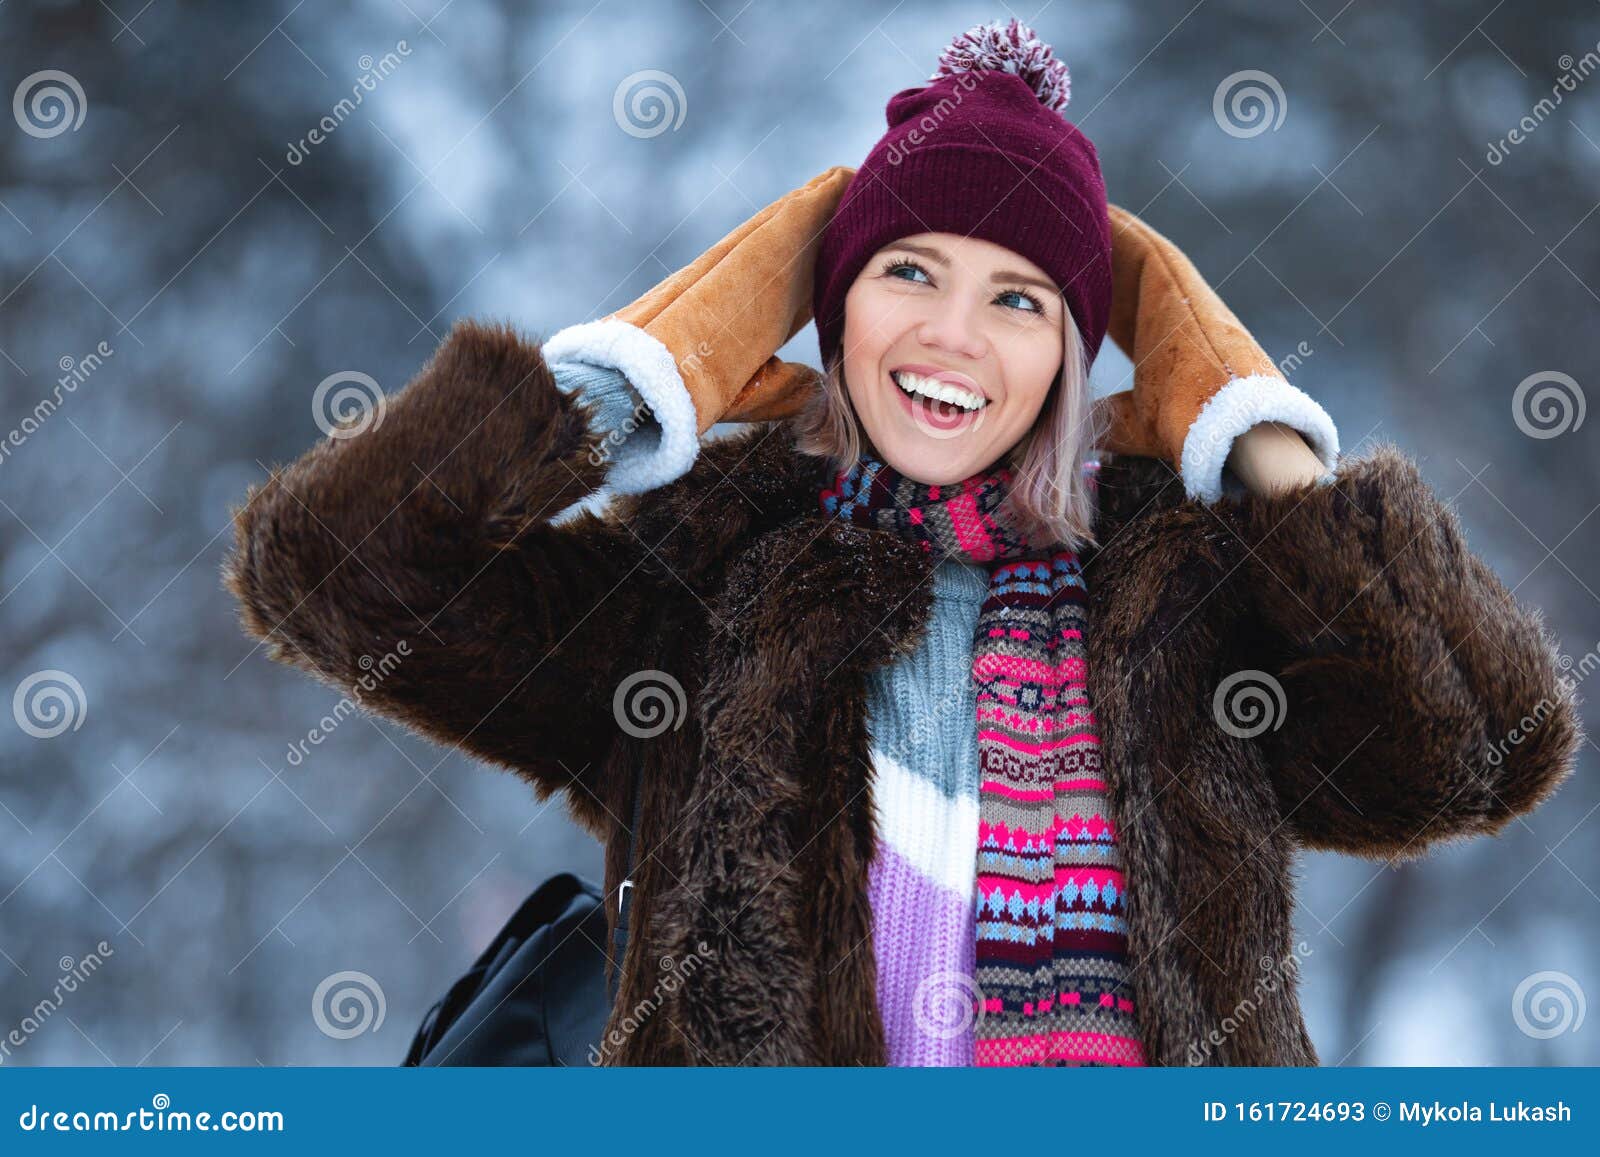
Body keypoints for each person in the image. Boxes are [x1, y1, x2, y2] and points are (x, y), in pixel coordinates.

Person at [223, 20, 1581, 1066]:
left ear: (1076, 353)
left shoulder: (1187, 595)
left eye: (1019, 298)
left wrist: (1264, 439)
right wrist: (653, 367)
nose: (951, 334)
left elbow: (1481, 746)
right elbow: (332, 568)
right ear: (832, 304)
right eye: (905, 271)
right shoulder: (701, 590)